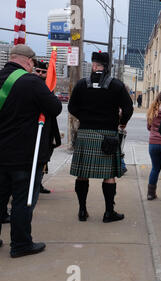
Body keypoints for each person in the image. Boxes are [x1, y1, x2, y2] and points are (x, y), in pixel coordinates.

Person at [0, 44, 62, 257]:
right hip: (24, 155)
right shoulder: (31, 82)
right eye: (32, 63)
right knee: (21, 201)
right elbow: (55, 108)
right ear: (28, 61)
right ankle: (21, 244)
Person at [68, 51, 133, 223]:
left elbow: (72, 107)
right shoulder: (117, 85)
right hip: (108, 135)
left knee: (82, 173)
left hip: (86, 134)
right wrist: (122, 122)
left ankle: (82, 211)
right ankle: (108, 213)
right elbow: (128, 108)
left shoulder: (82, 84)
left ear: (94, 65)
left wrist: (85, 118)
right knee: (108, 175)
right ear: (107, 67)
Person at [33, 60, 62, 194]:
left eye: (43, 72)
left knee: (45, 158)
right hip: (32, 128)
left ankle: (38, 183)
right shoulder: (30, 84)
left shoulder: (49, 86)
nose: (40, 74)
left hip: (47, 127)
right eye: (37, 71)